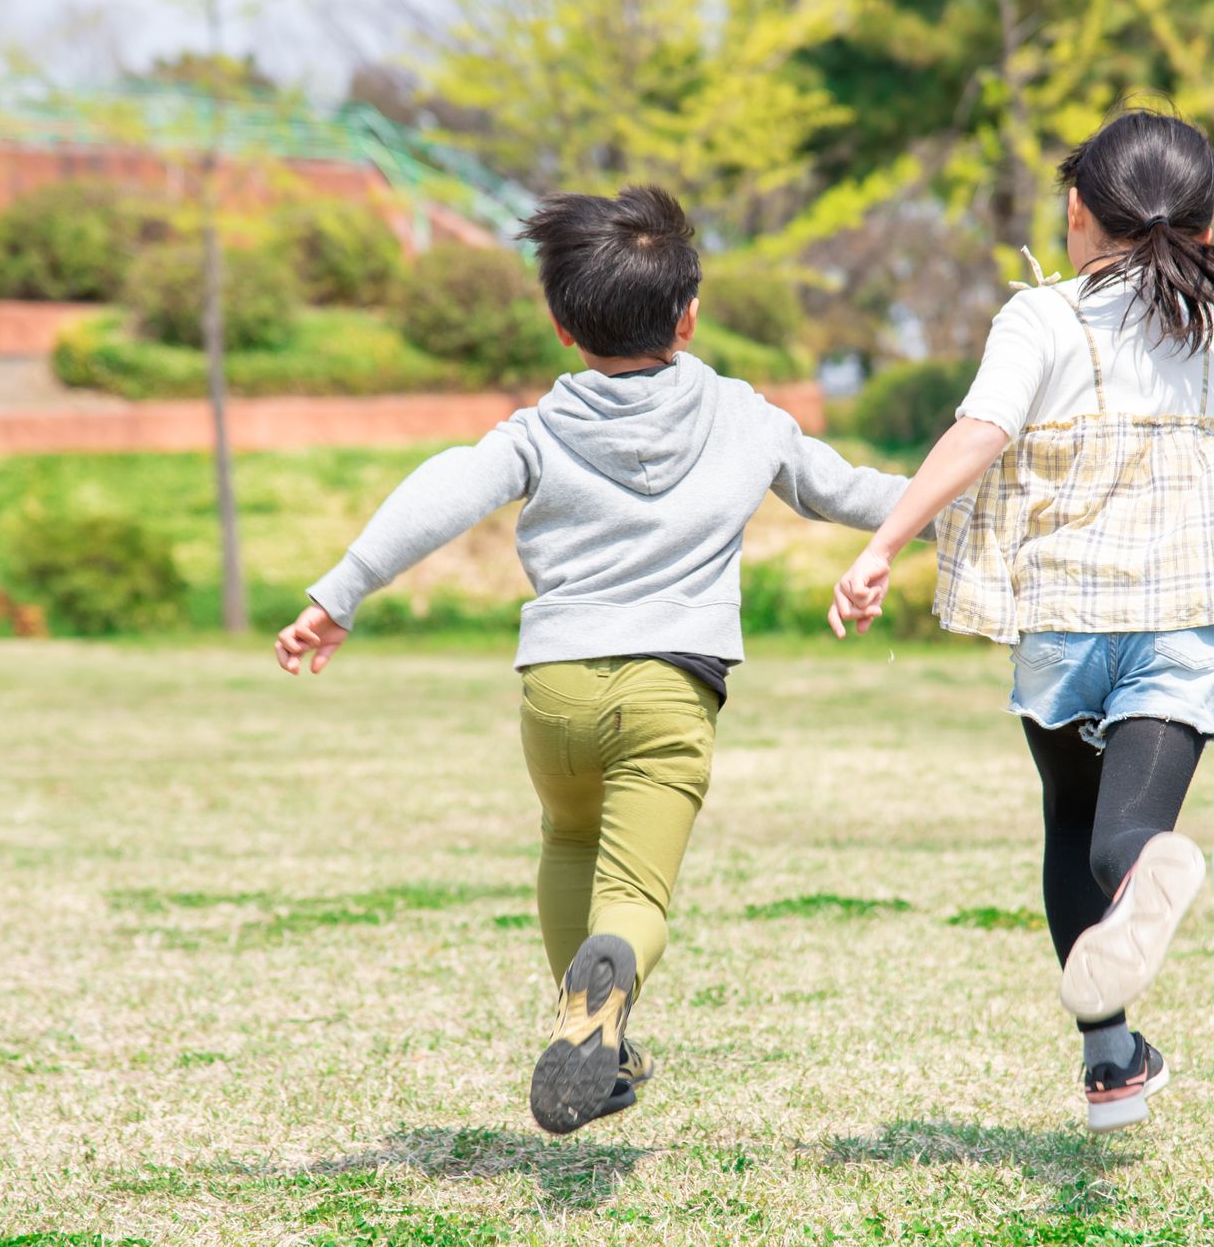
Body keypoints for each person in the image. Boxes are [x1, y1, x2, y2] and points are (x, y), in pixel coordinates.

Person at [274, 186, 919, 1137]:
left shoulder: (540, 428)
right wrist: (959, 502)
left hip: (557, 689)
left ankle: (595, 1034)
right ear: (688, 315)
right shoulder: (747, 418)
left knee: (567, 839)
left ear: (561, 326)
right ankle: (602, 998)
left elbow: (445, 485)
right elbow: (849, 493)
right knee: (633, 898)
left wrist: (343, 587)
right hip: (670, 685)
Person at [829, 108, 1214, 1134]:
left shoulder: (1040, 317)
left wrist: (880, 546)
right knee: (1128, 835)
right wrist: (1204, 503)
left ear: (1076, 211)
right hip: (1179, 624)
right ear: (1201, 227)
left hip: (1063, 623)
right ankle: (1152, 879)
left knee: (1067, 820)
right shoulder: (1205, 336)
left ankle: (1110, 1057)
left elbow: (979, 434)